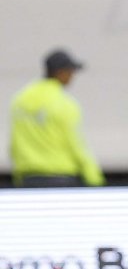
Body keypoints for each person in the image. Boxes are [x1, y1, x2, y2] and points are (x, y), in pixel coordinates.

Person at [9, 49, 105, 188]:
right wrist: (94, 178)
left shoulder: (19, 100)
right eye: (71, 71)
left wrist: (18, 176)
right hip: (61, 178)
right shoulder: (64, 103)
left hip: (27, 178)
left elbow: (15, 143)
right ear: (60, 72)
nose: (72, 76)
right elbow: (75, 144)